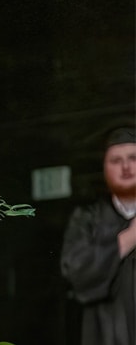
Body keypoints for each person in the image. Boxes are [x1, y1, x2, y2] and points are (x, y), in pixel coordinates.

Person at [61, 126, 136, 345]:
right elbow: (76, 270)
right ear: (104, 168)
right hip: (106, 334)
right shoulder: (87, 219)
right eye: (115, 160)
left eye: (133, 158)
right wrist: (129, 238)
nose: (125, 167)